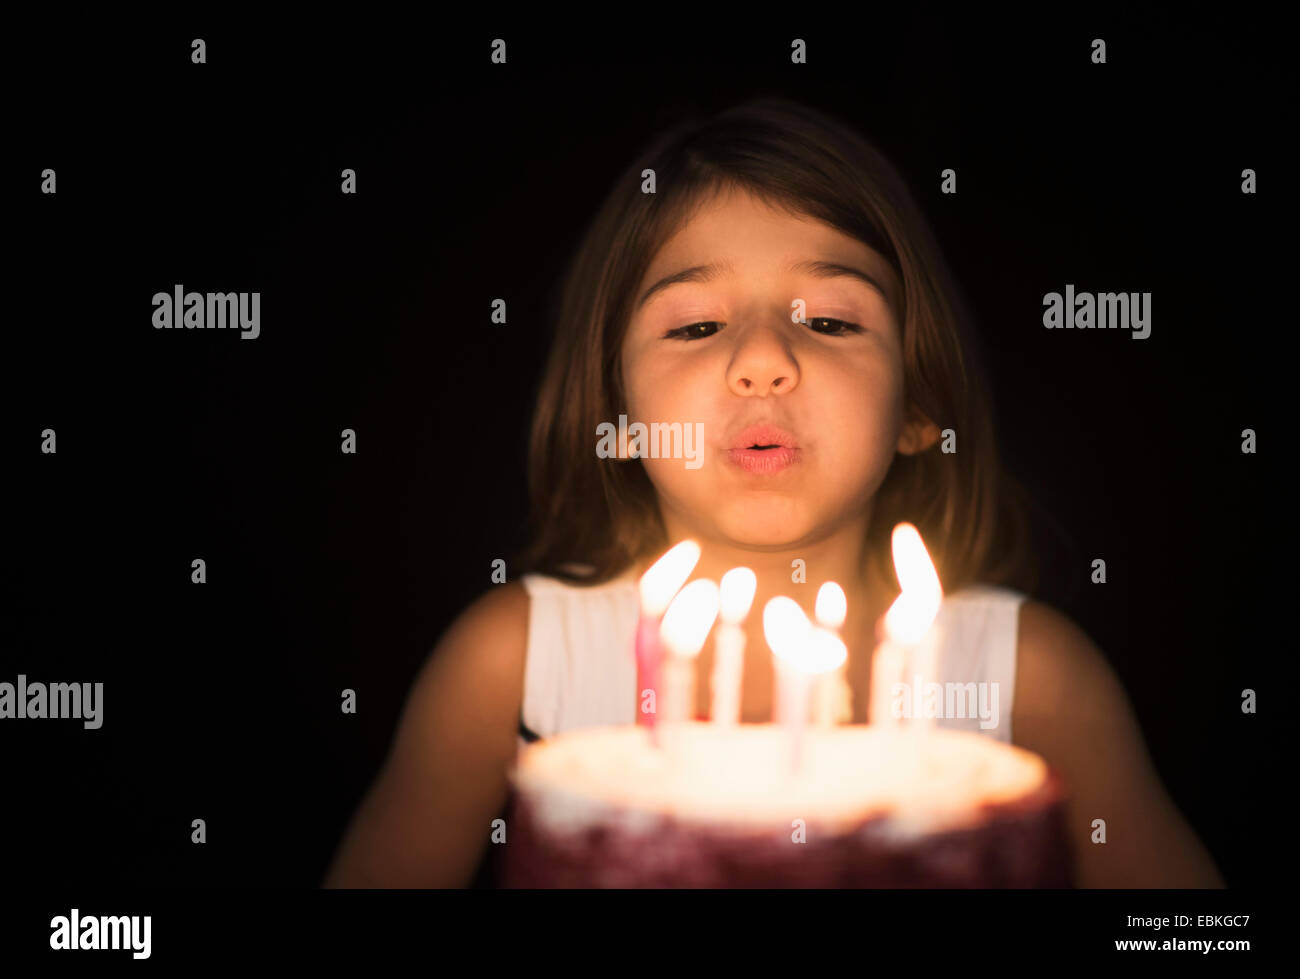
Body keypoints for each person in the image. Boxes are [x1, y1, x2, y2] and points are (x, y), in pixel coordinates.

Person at [322, 97, 1223, 889]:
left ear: (920, 405)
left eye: (831, 320)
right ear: (619, 414)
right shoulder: (511, 668)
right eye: (697, 324)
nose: (762, 361)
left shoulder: (1032, 681)